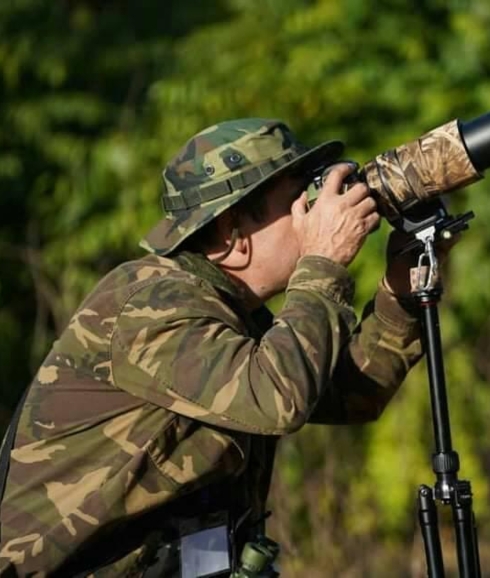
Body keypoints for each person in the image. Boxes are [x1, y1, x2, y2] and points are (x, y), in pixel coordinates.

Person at [0, 118, 434, 576]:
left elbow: (353, 393)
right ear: (232, 234)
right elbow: (278, 398)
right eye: (298, 201)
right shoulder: (150, 303)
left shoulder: (232, 312)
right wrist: (322, 261)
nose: (316, 213)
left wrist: (401, 292)